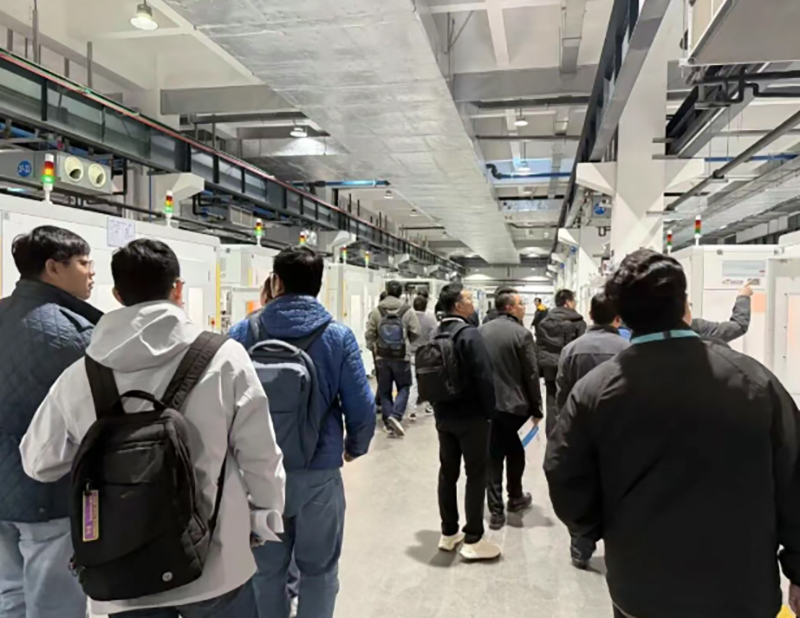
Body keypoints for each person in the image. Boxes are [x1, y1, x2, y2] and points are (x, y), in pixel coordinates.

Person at [20, 238, 286, 618]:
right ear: (177, 289)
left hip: (123, 577)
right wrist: (264, 516)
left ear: (117, 294)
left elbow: (38, 462)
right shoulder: (225, 357)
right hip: (215, 564)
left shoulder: (81, 375)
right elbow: (260, 453)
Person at [544, 249, 800, 618]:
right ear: (685, 306)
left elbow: (563, 474)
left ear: (622, 316)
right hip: (740, 586)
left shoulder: (595, 391)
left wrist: (604, 526)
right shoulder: (754, 381)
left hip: (642, 584)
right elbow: (794, 476)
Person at [228, 245, 375, 618]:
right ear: (319, 285)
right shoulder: (337, 336)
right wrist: (354, 447)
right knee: (319, 570)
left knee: (265, 571)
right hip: (318, 472)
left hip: (257, 473)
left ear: (276, 281)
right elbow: (361, 405)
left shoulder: (244, 331)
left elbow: (223, 398)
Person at [0, 226, 100, 618]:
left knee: (10, 595)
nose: (91, 272)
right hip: (49, 490)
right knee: (55, 604)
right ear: (53, 268)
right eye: (83, 262)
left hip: (4, 490)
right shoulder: (75, 334)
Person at [554, 291, 630, 569]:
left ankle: (581, 546)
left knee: (583, 487)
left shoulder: (572, 349)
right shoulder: (628, 349)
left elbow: (562, 394)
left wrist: (564, 426)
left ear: (590, 314)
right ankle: (619, 547)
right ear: (618, 317)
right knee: (618, 486)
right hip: (619, 430)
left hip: (582, 429)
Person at [433, 284, 500, 561]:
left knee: (447, 473)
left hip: (443, 415)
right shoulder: (469, 334)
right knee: (476, 474)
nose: (472, 302)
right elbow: (484, 376)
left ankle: (448, 533)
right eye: (469, 298)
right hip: (471, 417)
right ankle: (473, 537)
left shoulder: (436, 333)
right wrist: (490, 411)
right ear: (458, 306)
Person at [479, 288, 542, 531]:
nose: (524, 307)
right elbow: (531, 374)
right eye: (520, 304)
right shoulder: (522, 334)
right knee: (516, 453)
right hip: (517, 407)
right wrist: (537, 407)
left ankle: (495, 512)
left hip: (489, 407)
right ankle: (515, 497)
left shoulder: (481, 331)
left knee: (492, 457)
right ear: (509, 308)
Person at [365, 280, 421, 437]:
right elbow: (416, 331)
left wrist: (374, 347)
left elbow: (370, 333)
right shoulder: (407, 310)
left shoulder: (377, 311)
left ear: (387, 291)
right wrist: (406, 343)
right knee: (404, 386)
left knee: (384, 390)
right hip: (402, 356)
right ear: (400, 293)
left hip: (382, 356)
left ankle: (388, 422)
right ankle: (396, 416)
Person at [535, 289, 586, 436]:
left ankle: (552, 434)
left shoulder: (544, 322)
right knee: (572, 399)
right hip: (570, 367)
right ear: (568, 302)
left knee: (551, 399)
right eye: (574, 301)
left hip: (549, 367)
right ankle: (570, 435)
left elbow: (540, 346)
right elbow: (581, 347)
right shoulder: (578, 323)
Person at [408, 295, 437, 420]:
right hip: (425, 354)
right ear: (425, 306)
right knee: (427, 382)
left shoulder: (409, 318)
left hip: (411, 354)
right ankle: (428, 406)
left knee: (413, 384)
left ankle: (411, 410)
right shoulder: (430, 320)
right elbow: (434, 336)